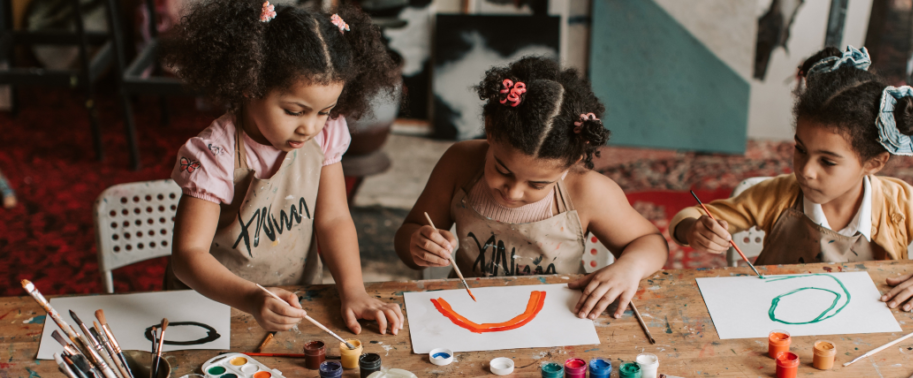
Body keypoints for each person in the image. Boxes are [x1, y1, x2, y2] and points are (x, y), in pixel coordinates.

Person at [671, 46, 913, 312]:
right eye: (800, 150)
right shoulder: (775, 195)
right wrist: (694, 230)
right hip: (775, 327)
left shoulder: (899, 204)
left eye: (827, 161)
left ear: (874, 162)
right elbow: (688, 216)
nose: (806, 170)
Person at [163, 0, 403, 334]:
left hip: (295, 302)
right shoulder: (214, 154)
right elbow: (188, 256)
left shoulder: (327, 133)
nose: (310, 127)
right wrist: (252, 298)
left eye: (324, 111)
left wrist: (354, 291)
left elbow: (333, 218)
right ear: (250, 86)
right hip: (216, 308)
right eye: (294, 111)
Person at [395, 57, 667, 319]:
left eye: (537, 184)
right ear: (490, 130)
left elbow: (651, 243)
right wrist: (416, 245)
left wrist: (630, 267)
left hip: (559, 314)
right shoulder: (460, 163)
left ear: (572, 163)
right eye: (502, 170)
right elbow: (407, 236)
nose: (512, 192)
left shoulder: (587, 192)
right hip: (468, 309)